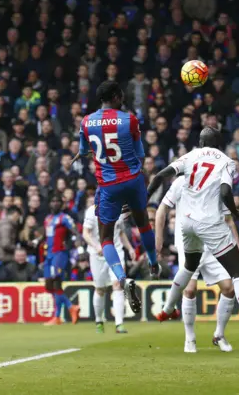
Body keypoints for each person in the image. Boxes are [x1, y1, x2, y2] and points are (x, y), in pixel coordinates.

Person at [146, 127, 239, 348]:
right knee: (238, 273)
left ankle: (168, 309)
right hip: (209, 223)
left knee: (189, 266)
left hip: (186, 223)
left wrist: (144, 198)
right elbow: (225, 193)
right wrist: (236, 213)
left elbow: (160, 176)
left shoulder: (189, 156)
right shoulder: (226, 162)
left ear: (200, 141)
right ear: (219, 144)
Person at [76, 80, 160, 314]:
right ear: (115, 96)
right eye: (121, 93)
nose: (123, 96)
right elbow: (140, 153)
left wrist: (82, 152)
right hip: (133, 180)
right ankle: (153, 264)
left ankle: (122, 278)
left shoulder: (86, 122)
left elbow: (84, 152)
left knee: (105, 238)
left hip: (108, 185)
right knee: (143, 224)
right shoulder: (128, 119)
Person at [156, 175, 239, 353]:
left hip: (213, 242)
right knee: (189, 289)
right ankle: (190, 338)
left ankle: (219, 335)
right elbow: (162, 209)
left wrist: (238, 245)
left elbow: (228, 219)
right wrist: (158, 241)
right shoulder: (181, 182)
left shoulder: (218, 184)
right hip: (188, 242)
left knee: (229, 288)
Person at [83, 203, 135, 334]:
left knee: (118, 284)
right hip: (97, 255)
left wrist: (130, 248)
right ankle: (99, 320)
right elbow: (85, 233)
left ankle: (119, 324)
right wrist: (96, 246)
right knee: (100, 289)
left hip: (116, 252)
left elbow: (120, 232)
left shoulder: (119, 210)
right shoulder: (92, 211)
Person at [43, 195, 81, 326]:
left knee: (56, 283)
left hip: (60, 254)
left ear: (61, 204)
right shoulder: (47, 219)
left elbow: (76, 231)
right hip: (48, 255)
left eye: (57, 201)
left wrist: (79, 249)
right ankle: (70, 308)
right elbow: (47, 236)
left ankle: (59, 315)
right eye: (52, 201)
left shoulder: (64, 218)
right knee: (49, 285)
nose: (54, 203)